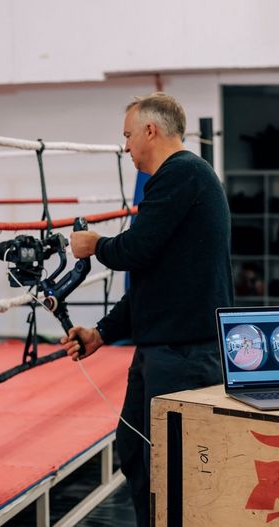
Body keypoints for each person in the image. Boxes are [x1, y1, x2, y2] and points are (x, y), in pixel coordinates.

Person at [61, 92, 233, 526]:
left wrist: (94, 244)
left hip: (183, 354)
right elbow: (152, 277)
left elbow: (135, 249)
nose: (126, 147)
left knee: (172, 470)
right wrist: (102, 332)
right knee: (138, 453)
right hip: (167, 349)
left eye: (128, 135)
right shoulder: (184, 177)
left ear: (150, 131)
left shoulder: (181, 174)